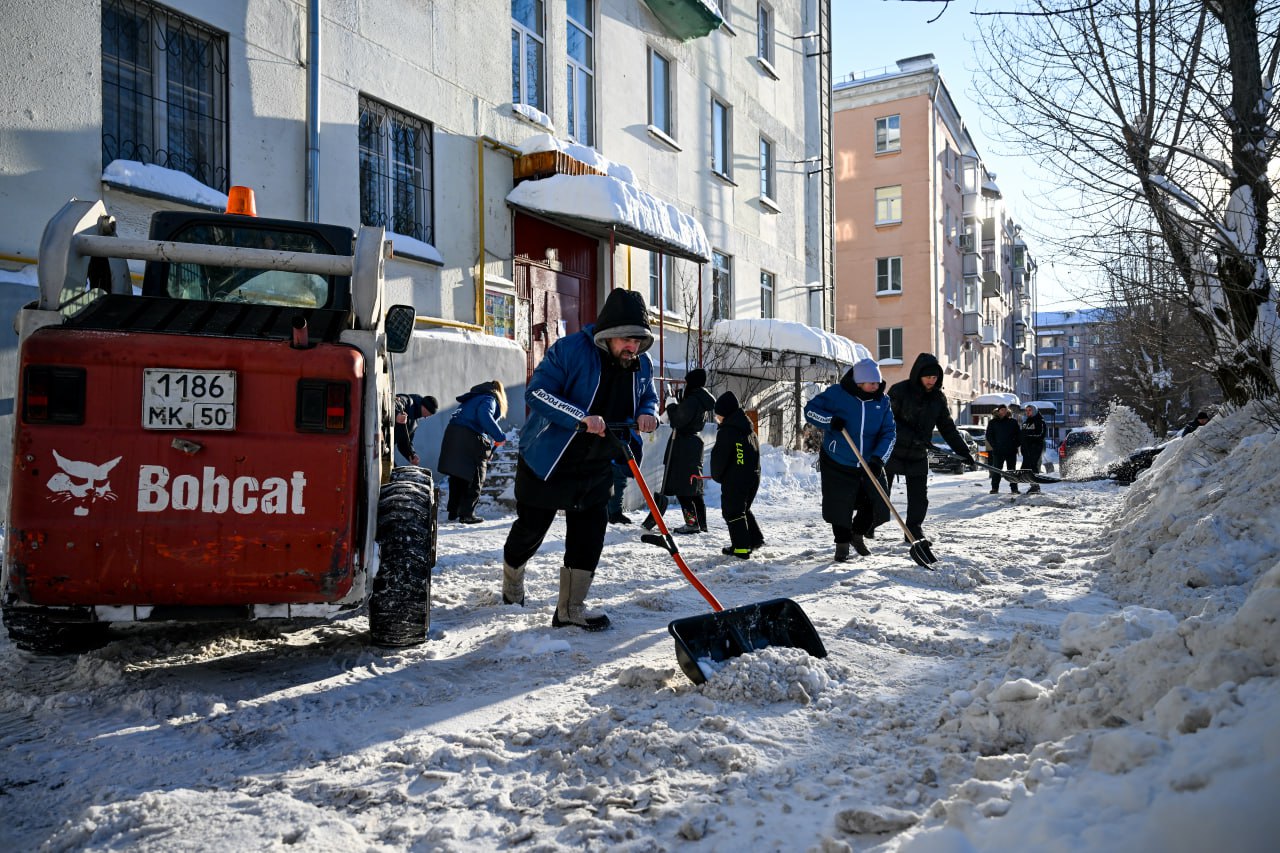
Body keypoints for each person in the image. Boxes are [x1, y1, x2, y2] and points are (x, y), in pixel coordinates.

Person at [499, 288, 659, 631]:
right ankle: (512, 577)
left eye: (639, 341)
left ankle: (570, 608)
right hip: (549, 460)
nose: (633, 348)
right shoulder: (569, 351)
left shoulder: (641, 365)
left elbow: (648, 397)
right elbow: (537, 392)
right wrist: (580, 417)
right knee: (530, 531)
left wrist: (649, 414)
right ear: (609, 337)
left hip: (597, 464)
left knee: (589, 535)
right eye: (627, 340)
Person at [804, 358, 896, 561]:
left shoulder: (883, 401)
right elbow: (810, 411)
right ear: (859, 382)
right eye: (871, 382)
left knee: (876, 501)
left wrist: (879, 459)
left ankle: (857, 534)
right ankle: (842, 544)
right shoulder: (837, 394)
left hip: (869, 462)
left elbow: (889, 432)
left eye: (877, 382)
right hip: (838, 458)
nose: (876, 386)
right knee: (839, 504)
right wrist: (830, 421)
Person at [884, 353, 974, 542]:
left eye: (935, 378)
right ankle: (868, 524)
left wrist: (963, 452)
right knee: (881, 495)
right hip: (892, 452)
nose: (931, 381)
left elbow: (948, 428)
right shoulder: (899, 391)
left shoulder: (937, 399)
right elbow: (888, 421)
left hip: (917, 454)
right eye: (928, 377)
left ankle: (914, 531)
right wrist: (912, 436)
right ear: (918, 375)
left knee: (919, 498)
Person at [642, 368, 716, 534]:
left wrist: (672, 406)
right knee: (693, 487)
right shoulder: (699, 399)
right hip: (692, 445)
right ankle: (701, 524)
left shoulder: (693, 400)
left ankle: (692, 523)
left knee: (684, 488)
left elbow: (678, 420)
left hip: (684, 447)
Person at [437, 380, 508, 524]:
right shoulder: (489, 398)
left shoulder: (472, 399)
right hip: (469, 435)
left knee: (458, 474)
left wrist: (485, 447)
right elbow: (484, 416)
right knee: (477, 475)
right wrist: (499, 436)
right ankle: (467, 514)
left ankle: (454, 512)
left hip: (453, 433)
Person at [709, 390, 763, 559]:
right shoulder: (747, 428)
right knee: (743, 509)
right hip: (752, 476)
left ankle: (741, 548)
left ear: (725, 413)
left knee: (733, 512)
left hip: (736, 479)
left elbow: (720, 457)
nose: (717, 418)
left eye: (718, 415)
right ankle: (754, 539)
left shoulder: (728, 432)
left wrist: (717, 475)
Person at [985, 403, 1022, 494]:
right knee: (996, 470)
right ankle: (995, 488)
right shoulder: (993, 422)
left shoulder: (1012, 422)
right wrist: (995, 445)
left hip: (1011, 450)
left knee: (1012, 470)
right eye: (1002, 410)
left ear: (1007, 411)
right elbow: (989, 435)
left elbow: (1019, 435)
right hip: (998, 451)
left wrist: (1015, 444)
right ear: (998, 411)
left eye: (1005, 410)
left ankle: (1014, 488)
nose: (1004, 412)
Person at [393, 393, 438, 467]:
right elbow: (394, 401)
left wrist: (411, 455)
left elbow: (404, 442)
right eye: (428, 414)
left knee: (392, 474)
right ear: (425, 408)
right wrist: (396, 415)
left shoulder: (415, 423)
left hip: (386, 448)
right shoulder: (408, 401)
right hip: (377, 435)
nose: (426, 417)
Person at [1019, 403, 1046, 494]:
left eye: (1029, 410)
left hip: (1035, 448)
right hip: (1026, 449)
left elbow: (1041, 434)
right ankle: (1033, 485)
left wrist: (1028, 437)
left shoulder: (1040, 421)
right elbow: (1022, 435)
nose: (1027, 412)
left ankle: (1035, 486)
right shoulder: (1026, 422)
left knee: (1033, 467)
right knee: (1026, 467)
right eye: (1026, 410)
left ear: (1034, 410)